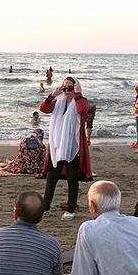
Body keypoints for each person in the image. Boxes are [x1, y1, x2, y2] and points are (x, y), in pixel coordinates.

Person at [40, 77, 93, 221]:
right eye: (64, 88)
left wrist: (77, 94)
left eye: (70, 88)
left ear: (76, 88)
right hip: (57, 145)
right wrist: (53, 95)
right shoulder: (58, 102)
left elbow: (83, 110)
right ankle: (46, 207)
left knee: (72, 179)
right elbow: (43, 109)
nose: (67, 91)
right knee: (51, 178)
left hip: (72, 146)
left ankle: (71, 208)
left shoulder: (80, 101)